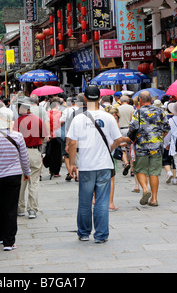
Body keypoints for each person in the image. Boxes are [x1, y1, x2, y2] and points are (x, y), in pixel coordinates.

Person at [67, 86, 128, 244]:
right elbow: (118, 139)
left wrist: (72, 164)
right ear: (100, 98)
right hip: (104, 165)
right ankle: (100, 235)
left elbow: (72, 144)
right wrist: (110, 148)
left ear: (85, 99)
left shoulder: (78, 118)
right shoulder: (108, 117)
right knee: (101, 201)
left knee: (85, 201)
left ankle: (84, 233)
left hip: (86, 166)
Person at [0, 107, 31, 251]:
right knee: (11, 208)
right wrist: (27, 172)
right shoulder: (17, 136)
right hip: (13, 176)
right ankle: (9, 242)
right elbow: (24, 157)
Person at [127, 91, 170, 207]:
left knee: (140, 169)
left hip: (141, 146)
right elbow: (166, 127)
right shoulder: (160, 111)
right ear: (150, 99)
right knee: (154, 172)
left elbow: (132, 128)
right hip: (156, 146)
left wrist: (130, 138)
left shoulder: (138, 112)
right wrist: (159, 138)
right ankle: (154, 199)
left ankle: (145, 190)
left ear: (140, 100)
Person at [14, 97, 46, 219]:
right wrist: (39, 151)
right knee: (34, 182)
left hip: (21, 153)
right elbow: (43, 137)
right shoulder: (38, 120)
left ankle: (20, 208)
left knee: (21, 182)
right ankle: (32, 209)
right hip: (34, 152)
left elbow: (14, 140)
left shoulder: (17, 122)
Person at [45, 97, 63, 178]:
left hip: (50, 136)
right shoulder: (61, 113)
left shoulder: (47, 113)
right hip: (59, 136)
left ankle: (51, 169)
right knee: (58, 154)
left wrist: (47, 134)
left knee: (50, 153)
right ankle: (56, 172)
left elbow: (46, 124)